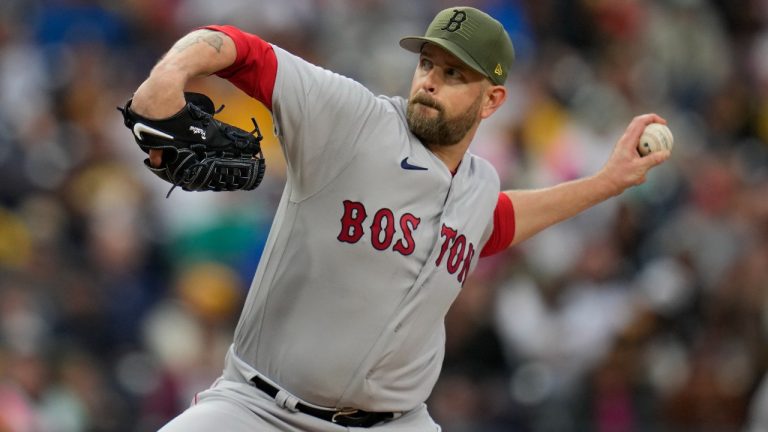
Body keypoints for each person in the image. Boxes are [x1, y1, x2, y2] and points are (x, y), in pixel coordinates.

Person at [129, 6, 670, 431]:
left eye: (454, 72)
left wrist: (607, 183)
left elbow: (497, 223)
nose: (430, 80)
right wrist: (168, 77)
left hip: (396, 425)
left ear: (492, 100)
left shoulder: (478, 186)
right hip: (259, 410)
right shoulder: (353, 120)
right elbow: (243, 52)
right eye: (428, 63)